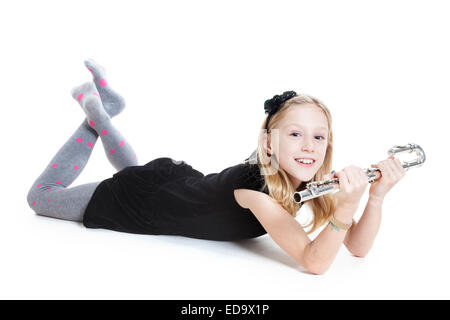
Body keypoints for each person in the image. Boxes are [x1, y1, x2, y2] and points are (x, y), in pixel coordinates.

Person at [26, 59, 405, 274]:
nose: (309, 146)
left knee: (133, 174)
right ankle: (95, 115)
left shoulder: (309, 183)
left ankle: (106, 110)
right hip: (142, 204)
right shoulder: (257, 193)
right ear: (268, 143)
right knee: (41, 198)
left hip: (169, 182)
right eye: (295, 135)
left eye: (319, 137)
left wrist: (375, 198)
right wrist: (345, 209)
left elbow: (355, 248)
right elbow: (314, 261)